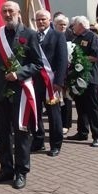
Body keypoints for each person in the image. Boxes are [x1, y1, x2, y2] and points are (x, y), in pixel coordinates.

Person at [0, 1, 42, 189]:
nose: (7, 14)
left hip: (21, 91)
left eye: (11, 11)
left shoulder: (30, 35)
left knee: (21, 132)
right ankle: (6, 168)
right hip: (0, 92)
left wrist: (19, 74)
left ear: (18, 13)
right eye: (4, 11)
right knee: (3, 133)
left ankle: (21, 171)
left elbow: (37, 63)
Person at [31, 9, 67, 157]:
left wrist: (58, 81)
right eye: (38, 20)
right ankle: (38, 141)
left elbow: (62, 60)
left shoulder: (57, 36)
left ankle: (55, 144)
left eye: (43, 19)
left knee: (54, 115)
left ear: (49, 20)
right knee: (36, 113)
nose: (40, 22)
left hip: (52, 83)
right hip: (35, 82)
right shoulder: (32, 36)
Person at [65, 16, 98, 147]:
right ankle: (82, 132)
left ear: (81, 25)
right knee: (80, 106)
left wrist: (78, 59)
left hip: (90, 77)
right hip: (77, 77)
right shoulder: (76, 37)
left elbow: (96, 56)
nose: (72, 27)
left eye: (74, 25)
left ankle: (97, 135)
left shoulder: (93, 37)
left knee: (92, 107)